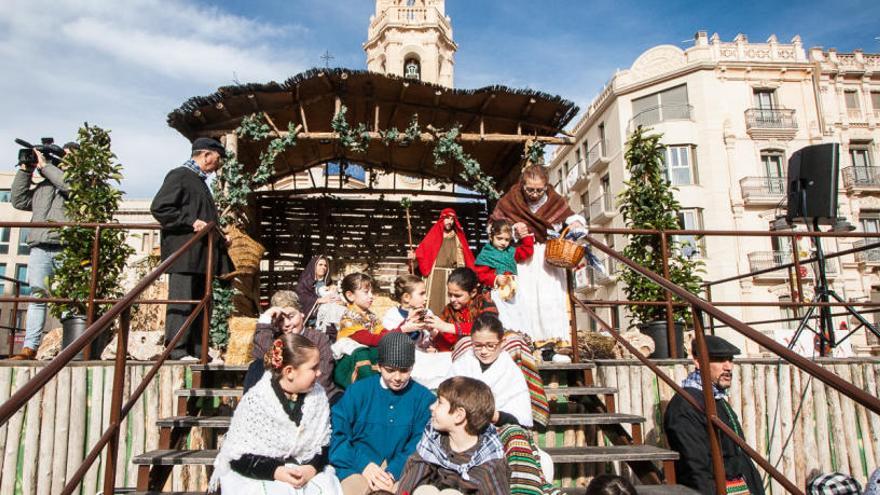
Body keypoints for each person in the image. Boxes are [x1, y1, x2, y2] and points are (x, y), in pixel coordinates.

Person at [208, 332, 342, 495]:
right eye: (313, 368)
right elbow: (237, 456)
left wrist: (312, 468)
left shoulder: (317, 396)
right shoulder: (259, 400)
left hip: (304, 470)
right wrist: (276, 472)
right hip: (259, 472)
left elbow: (324, 444)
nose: (319, 373)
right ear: (289, 372)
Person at [448, 314, 559, 495]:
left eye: (490, 346)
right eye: (478, 346)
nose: (484, 351)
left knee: (515, 435)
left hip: (499, 430)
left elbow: (520, 418)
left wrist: (494, 416)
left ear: (500, 343)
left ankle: (524, 490)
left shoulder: (511, 372)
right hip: (463, 429)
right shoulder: (461, 367)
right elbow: (447, 402)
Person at [429, 268, 550, 428]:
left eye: (458, 295)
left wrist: (450, 327)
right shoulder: (448, 311)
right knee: (465, 343)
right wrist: (435, 335)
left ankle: (533, 409)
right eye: (450, 294)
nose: (453, 299)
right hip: (470, 355)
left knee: (515, 341)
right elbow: (445, 342)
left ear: (472, 292)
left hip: (495, 344)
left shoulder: (484, 301)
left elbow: (489, 325)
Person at [150, 137, 233, 360]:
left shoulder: (199, 181)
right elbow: (160, 207)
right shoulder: (179, 175)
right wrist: (190, 222)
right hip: (184, 254)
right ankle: (177, 350)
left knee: (200, 303)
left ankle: (198, 349)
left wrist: (219, 237)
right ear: (206, 155)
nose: (217, 166)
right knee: (183, 301)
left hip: (201, 256)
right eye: (217, 160)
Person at [490, 164, 587, 347]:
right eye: (530, 189)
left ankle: (553, 341)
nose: (534, 194)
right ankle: (526, 340)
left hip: (546, 256)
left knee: (550, 299)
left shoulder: (554, 200)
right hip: (522, 258)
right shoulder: (510, 200)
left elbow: (569, 216)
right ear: (522, 184)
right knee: (524, 298)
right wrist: (512, 230)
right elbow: (494, 225)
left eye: (539, 190)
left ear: (546, 186)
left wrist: (574, 223)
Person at [330, 332, 436, 495]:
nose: (398, 377)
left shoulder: (423, 398)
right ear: (379, 366)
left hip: (401, 469)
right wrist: (363, 464)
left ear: (412, 366)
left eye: (404, 370)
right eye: (390, 370)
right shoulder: (358, 391)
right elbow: (337, 435)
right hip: (356, 465)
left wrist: (393, 471)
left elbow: (419, 443)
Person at [664, 335, 764, 495]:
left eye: (730, 360)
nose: (728, 367)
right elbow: (695, 468)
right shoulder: (685, 406)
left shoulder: (716, 399)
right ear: (698, 361)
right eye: (719, 360)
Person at [9, 142, 76, 360]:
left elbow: (70, 186)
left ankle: (72, 346)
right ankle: (29, 349)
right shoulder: (44, 186)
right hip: (39, 247)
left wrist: (47, 166)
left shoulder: (80, 182)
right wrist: (25, 171)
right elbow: (19, 200)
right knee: (37, 298)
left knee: (70, 300)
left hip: (66, 248)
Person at [396, 376, 510, 495]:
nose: (431, 407)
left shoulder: (488, 465)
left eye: (439, 402)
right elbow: (410, 482)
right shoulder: (433, 443)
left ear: (459, 415)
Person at [243, 290, 341, 404]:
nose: (286, 324)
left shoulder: (319, 339)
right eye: (280, 319)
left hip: (316, 396)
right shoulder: (274, 339)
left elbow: (323, 376)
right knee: (257, 366)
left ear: (302, 313)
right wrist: (266, 320)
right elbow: (262, 359)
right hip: (280, 401)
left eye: (291, 316)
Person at [382, 274, 453, 389]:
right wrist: (408, 323)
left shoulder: (426, 312)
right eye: (421, 294)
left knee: (448, 358)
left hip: (422, 354)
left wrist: (432, 334)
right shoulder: (392, 315)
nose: (425, 298)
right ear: (406, 297)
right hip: (404, 357)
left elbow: (428, 339)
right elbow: (390, 341)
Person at [474, 219, 534, 332]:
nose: (503, 242)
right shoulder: (486, 254)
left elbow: (527, 251)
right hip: (496, 292)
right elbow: (480, 274)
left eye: (507, 239)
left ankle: (521, 335)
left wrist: (525, 236)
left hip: (513, 291)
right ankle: (504, 334)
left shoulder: (510, 251)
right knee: (503, 315)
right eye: (499, 238)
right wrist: (495, 279)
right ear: (491, 237)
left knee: (517, 313)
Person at [412, 208, 476, 315]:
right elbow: (422, 253)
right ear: (442, 219)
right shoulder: (434, 235)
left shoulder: (457, 238)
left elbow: (467, 257)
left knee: (451, 305)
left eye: (452, 219)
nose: (449, 221)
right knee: (433, 305)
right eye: (447, 218)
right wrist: (414, 257)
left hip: (453, 276)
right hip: (435, 277)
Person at [332, 272, 391, 388]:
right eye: (366, 292)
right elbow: (371, 340)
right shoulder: (349, 318)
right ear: (350, 296)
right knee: (364, 353)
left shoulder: (370, 316)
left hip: (368, 357)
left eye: (371, 292)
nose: (371, 296)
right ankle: (369, 389)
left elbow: (383, 332)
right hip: (351, 363)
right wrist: (401, 330)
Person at [296, 256, 339, 327]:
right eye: (320, 265)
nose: (323, 267)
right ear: (314, 266)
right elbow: (300, 297)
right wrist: (318, 300)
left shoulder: (329, 282)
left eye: (325, 265)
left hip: (331, 318)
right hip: (313, 321)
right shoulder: (305, 282)